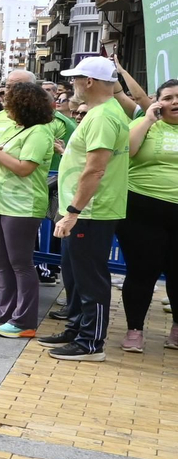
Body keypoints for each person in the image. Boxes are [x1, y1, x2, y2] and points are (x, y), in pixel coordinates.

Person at [38, 57, 131, 362]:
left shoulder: (103, 116)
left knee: (91, 277)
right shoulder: (100, 113)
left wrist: (74, 210)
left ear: (88, 81)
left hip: (91, 211)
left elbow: (95, 169)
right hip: (87, 210)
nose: (72, 86)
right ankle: (79, 329)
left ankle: (91, 342)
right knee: (78, 274)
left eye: (75, 79)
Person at [0, 82, 56, 339]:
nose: (4, 103)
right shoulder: (17, 129)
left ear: (24, 105)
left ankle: (25, 321)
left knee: (20, 263)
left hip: (22, 206)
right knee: (2, 262)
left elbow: (24, 168)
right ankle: (3, 312)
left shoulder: (40, 132)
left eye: (10, 100)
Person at [118, 80, 178, 352]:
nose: (175, 102)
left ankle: (177, 328)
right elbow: (127, 152)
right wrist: (147, 120)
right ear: (157, 102)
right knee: (142, 272)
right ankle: (134, 330)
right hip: (141, 209)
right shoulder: (145, 124)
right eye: (168, 97)